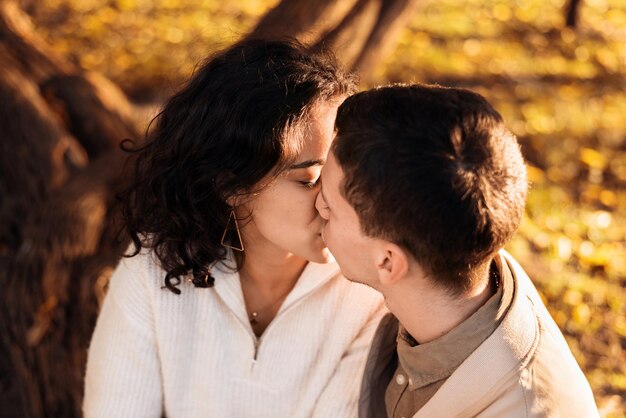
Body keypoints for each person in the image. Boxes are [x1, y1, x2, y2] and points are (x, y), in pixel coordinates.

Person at [83, 39, 385, 418]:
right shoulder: (153, 270)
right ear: (231, 186)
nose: (335, 200)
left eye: (344, 174)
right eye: (309, 179)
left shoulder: (373, 286)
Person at [316, 84, 599, 417]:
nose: (317, 205)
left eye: (330, 206)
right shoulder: (452, 245)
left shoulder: (525, 409)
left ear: (388, 262)